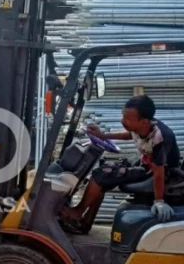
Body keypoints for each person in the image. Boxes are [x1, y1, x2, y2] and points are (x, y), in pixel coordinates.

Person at [60, 95, 179, 233]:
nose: (123, 121)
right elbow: (128, 135)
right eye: (123, 116)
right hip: (145, 162)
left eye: (128, 119)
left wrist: (159, 201)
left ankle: (78, 212)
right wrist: (103, 136)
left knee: (101, 174)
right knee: (104, 173)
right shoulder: (144, 126)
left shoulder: (160, 137)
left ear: (144, 121)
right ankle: (85, 222)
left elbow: (159, 172)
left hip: (158, 173)